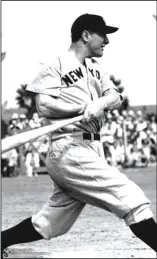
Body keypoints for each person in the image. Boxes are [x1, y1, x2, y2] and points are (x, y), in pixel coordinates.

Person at [1, 13, 157, 257]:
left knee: (52, 222)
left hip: (92, 149)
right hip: (69, 147)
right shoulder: (57, 63)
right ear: (85, 35)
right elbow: (44, 105)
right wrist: (81, 108)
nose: (106, 40)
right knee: (132, 199)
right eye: (102, 34)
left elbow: (115, 97)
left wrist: (100, 103)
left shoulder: (96, 67)